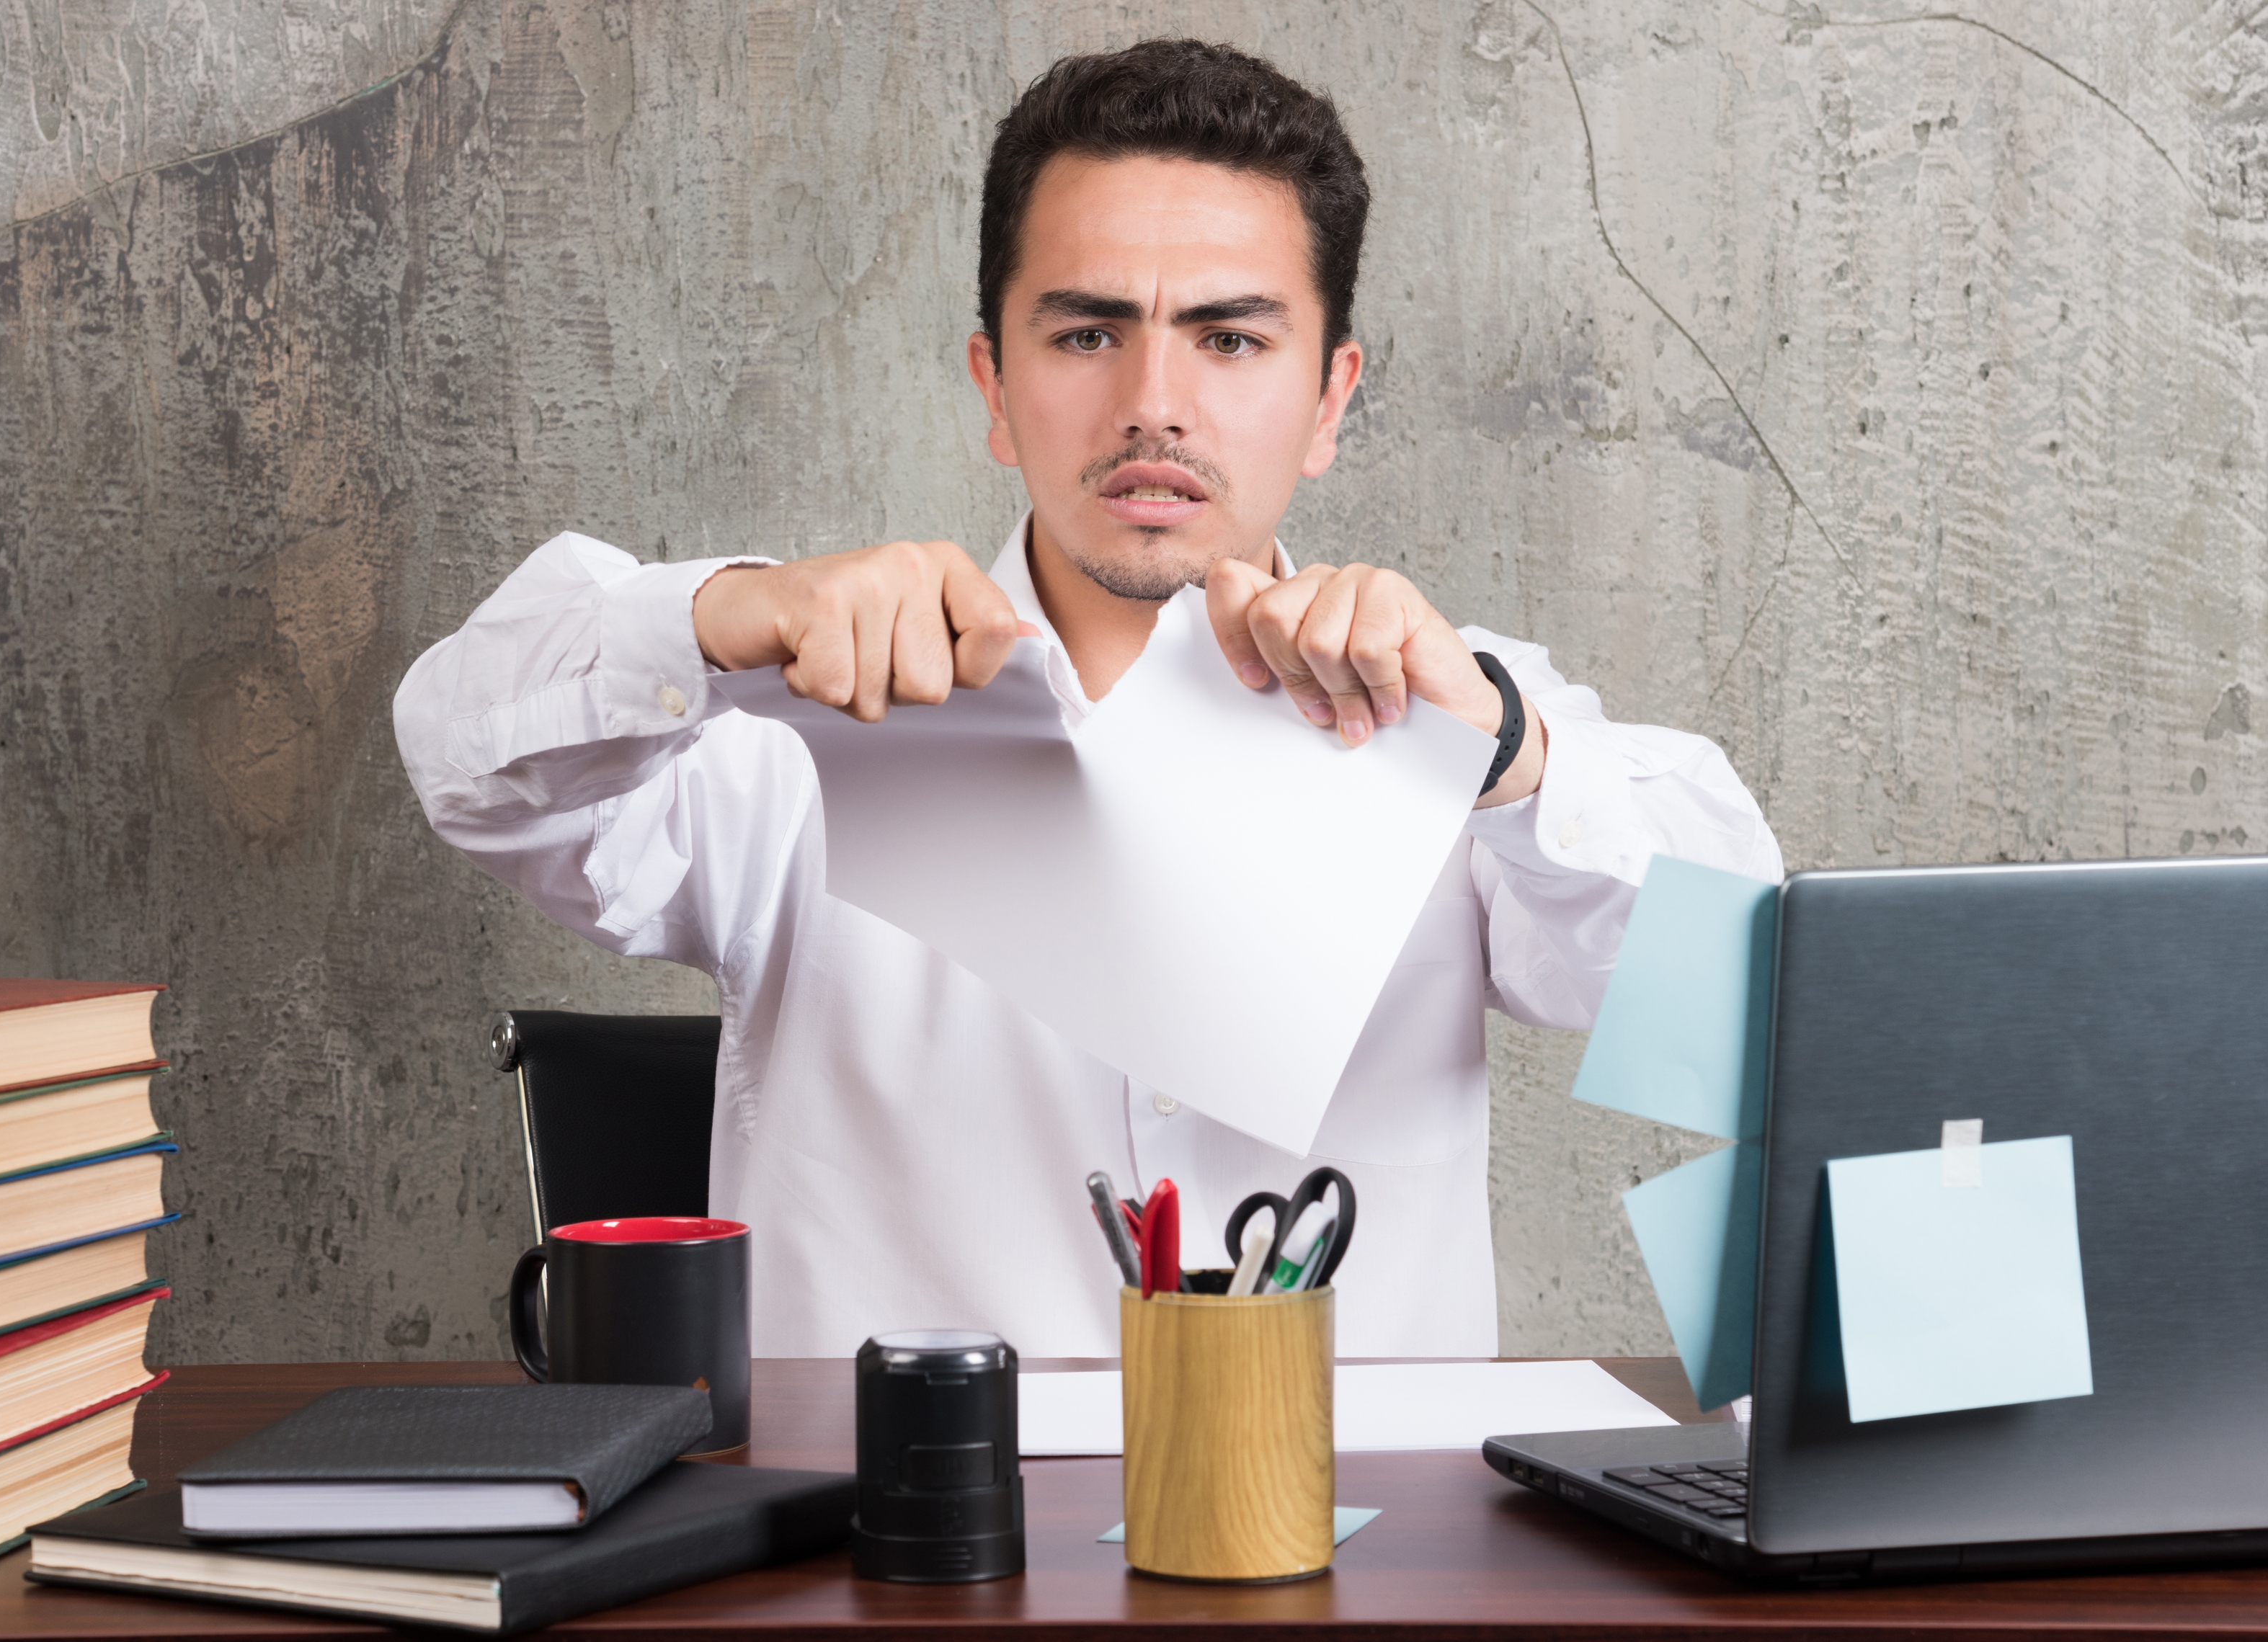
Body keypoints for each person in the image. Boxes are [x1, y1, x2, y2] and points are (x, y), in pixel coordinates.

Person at [393, 39, 1781, 1357]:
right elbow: (464, 756)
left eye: (1231, 342)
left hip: (1355, 1555)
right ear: (994, 384)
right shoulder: (780, 729)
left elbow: (1735, 986)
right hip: (895, 1554)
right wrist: (718, 619)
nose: (1154, 405)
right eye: (1085, 336)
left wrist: (1505, 753)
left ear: (1329, 400)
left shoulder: (1466, 723)